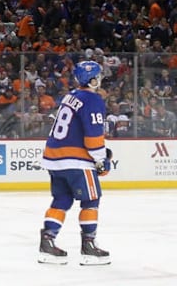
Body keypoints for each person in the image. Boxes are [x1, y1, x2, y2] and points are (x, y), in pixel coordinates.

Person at [38, 61, 112, 266]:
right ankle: (88, 247)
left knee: (61, 200)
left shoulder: (70, 96)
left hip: (54, 158)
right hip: (77, 161)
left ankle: (47, 244)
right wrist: (101, 160)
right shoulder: (93, 100)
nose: (102, 80)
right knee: (91, 200)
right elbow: (93, 138)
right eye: (100, 76)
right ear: (94, 80)